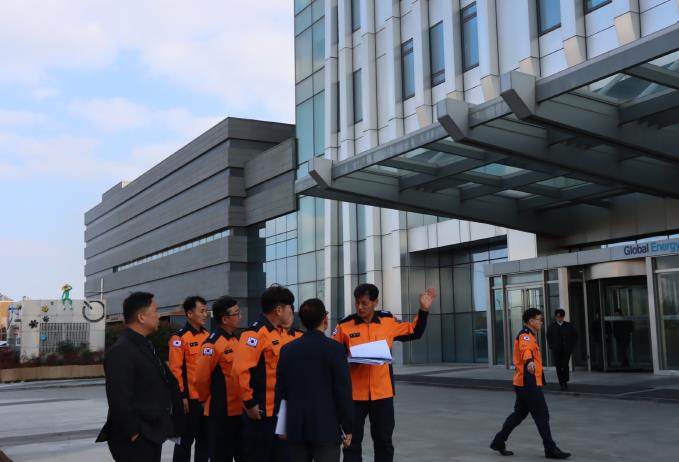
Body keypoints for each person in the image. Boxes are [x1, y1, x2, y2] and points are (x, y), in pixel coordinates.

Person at [332, 283, 436, 462]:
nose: (360, 307)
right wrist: (347, 360)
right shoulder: (344, 325)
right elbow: (332, 354)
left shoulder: (387, 321)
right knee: (351, 443)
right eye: (357, 303)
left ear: (375, 302)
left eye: (364, 303)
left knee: (384, 442)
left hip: (382, 394)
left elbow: (414, 331)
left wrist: (424, 310)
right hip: (354, 396)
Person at [96, 292, 183, 462]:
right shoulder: (122, 350)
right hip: (136, 439)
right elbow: (118, 398)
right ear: (141, 317)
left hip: (151, 433)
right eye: (155, 311)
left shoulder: (144, 345)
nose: (158, 316)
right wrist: (134, 432)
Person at [276, 298, 354, 462]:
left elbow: (281, 390)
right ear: (325, 318)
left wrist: (282, 424)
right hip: (326, 426)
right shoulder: (335, 349)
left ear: (301, 321)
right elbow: (343, 392)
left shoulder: (287, 350)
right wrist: (347, 427)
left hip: (296, 426)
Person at [490, 308, 571, 459]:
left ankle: (498, 441)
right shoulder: (525, 336)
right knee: (542, 414)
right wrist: (529, 362)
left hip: (524, 382)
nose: (541, 322)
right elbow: (525, 350)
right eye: (539, 319)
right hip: (527, 381)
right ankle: (550, 449)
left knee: (519, 415)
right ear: (531, 321)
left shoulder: (530, 336)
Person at [232, 284, 297, 462]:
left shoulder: (280, 332)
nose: (291, 311)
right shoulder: (255, 334)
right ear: (278, 310)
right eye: (289, 307)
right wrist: (249, 403)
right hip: (261, 414)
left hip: (280, 412)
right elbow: (239, 370)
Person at [194, 296, 244, 462]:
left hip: (240, 410)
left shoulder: (235, 339)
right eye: (236, 314)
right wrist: (204, 400)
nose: (240, 316)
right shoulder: (211, 344)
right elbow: (200, 379)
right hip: (220, 413)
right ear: (225, 319)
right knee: (221, 456)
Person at [169, 296, 210, 462]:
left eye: (206, 311)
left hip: (206, 400)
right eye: (202, 311)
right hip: (189, 401)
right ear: (190, 314)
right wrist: (181, 396)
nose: (206, 314)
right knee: (184, 442)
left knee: (205, 441)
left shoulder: (208, 336)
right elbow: (175, 370)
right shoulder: (179, 338)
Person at [546, 309, 578, 390]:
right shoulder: (552, 326)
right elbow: (548, 336)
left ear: (563, 317)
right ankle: (561, 382)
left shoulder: (569, 325)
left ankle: (565, 381)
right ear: (555, 317)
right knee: (558, 366)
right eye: (557, 317)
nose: (559, 318)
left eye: (561, 317)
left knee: (565, 365)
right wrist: (551, 346)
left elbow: (575, 336)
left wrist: (571, 346)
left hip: (566, 349)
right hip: (556, 350)